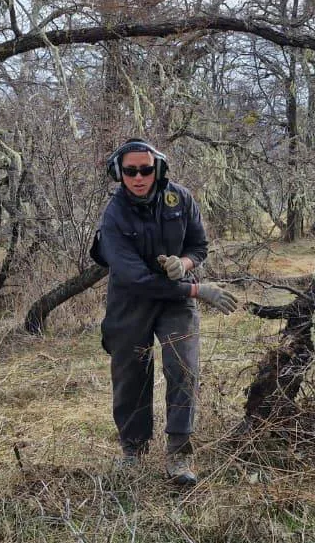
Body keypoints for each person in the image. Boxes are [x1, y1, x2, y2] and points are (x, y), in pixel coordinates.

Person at [91, 138, 238, 486]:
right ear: (119, 173)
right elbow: (135, 279)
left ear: (157, 169)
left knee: (183, 367)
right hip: (131, 300)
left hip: (175, 302)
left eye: (145, 169)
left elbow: (199, 245)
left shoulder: (180, 199)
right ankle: (133, 450)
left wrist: (183, 264)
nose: (138, 177)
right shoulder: (114, 215)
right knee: (131, 373)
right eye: (130, 171)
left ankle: (179, 453)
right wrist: (196, 289)